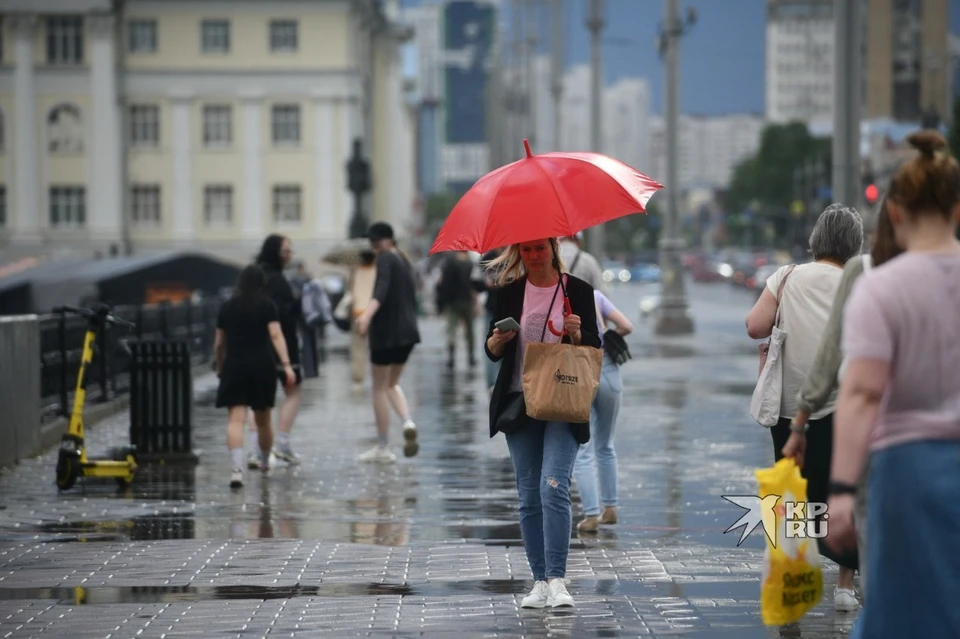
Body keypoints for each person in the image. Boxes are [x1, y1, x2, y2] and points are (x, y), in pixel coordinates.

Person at [826, 130, 960, 638]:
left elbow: (861, 392)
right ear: (958, 210)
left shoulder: (879, 289)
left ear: (896, 213)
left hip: (908, 472)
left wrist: (840, 491)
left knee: (898, 612)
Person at [781, 196, 903, 603]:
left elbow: (832, 354)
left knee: (821, 496)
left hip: (863, 413)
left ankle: (804, 582)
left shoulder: (859, 272)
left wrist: (800, 421)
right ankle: (852, 584)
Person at [745, 202, 864, 611]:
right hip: (841, 403)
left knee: (793, 495)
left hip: (790, 406)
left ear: (816, 239)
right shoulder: (858, 281)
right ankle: (846, 586)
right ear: (854, 243)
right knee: (843, 488)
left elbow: (755, 326)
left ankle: (791, 580)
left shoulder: (787, 275)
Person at [484, 237, 602, 609]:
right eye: (527, 250)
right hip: (520, 402)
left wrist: (578, 332)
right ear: (519, 253)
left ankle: (557, 579)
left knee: (553, 487)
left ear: (553, 249)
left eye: (540, 248)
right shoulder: (508, 292)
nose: (534, 256)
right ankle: (538, 581)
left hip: (562, 401)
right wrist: (498, 341)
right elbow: (490, 352)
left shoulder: (577, 290)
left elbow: (595, 347)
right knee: (528, 495)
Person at [214, 265, 296, 488]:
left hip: (235, 366)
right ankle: (265, 461)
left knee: (236, 420)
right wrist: (287, 365)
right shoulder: (267, 305)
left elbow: (219, 344)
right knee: (263, 421)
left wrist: (220, 366)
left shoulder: (227, 307)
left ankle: (237, 470)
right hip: (262, 367)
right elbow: (276, 335)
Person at [356, 222, 421, 462]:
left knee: (379, 388)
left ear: (388, 240)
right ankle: (407, 422)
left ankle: (383, 446)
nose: (373, 245)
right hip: (408, 333)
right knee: (392, 384)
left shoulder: (385, 259)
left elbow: (380, 293)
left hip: (386, 334)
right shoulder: (403, 261)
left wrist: (366, 316)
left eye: (376, 240)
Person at [572, 288, 633, 533]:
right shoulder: (595, 296)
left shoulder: (561, 299)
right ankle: (611, 508)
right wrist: (607, 335)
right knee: (606, 444)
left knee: (583, 449)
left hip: (580, 372)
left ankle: (591, 514)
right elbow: (626, 326)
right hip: (609, 370)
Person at [251, 234, 303, 466]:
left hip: (255, 345)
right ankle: (282, 442)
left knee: (259, 400)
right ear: (275, 252)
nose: (289, 255)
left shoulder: (254, 277)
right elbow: (283, 317)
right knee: (294, 391)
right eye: (285, 250)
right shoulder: (279, 281)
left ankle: (255, 449)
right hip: (281, 345)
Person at [436, 251, 478, 368]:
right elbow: (474, 284)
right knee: (469, 330)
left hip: (452, 301)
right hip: (467, 300)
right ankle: (471, 357)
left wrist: (442, 302)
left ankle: (451, 358)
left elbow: (442, 282)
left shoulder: (449, 262)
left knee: (452, 329)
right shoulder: (470, 264)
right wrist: (476, 302)